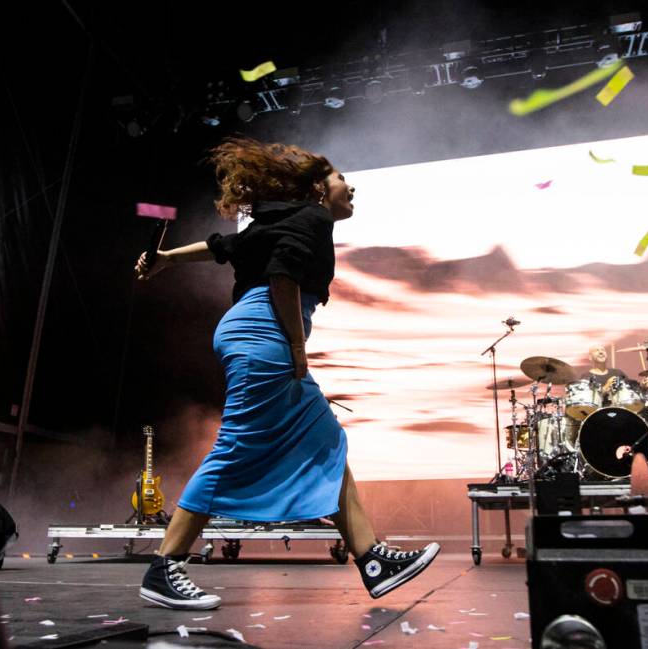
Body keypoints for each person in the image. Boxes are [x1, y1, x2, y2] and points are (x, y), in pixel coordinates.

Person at [133, 136, 438, 610]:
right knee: (235, 446)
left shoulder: (280, 219)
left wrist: (166, 259)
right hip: (264, 335)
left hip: (251, 332)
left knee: (326, 444)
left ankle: (373, 560)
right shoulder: (312, 219)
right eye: (341, 179)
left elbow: (220, 246)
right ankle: (164, 567)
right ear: (319, 189)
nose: (350, 187)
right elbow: (283, 278)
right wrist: (298, 348)